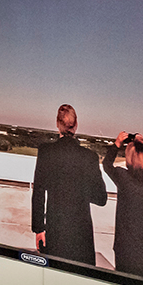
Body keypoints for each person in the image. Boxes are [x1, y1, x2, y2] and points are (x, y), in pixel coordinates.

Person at [30, 104, 105, 264]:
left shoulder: (46, 151)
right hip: (81, 232)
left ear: (57, 124)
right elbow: (101, 198)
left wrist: (39, 229)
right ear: (76, 125)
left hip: (55, 229)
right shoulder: (90, 157)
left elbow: (38, 192)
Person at [102, 132, 143, 281]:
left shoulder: (123, 178)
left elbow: (106, 165)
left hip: (126, 246)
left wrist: (117, 143)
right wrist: (141, 142)